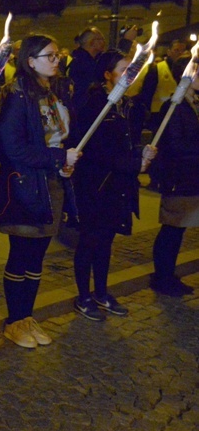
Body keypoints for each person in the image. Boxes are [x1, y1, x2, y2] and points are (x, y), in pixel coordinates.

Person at [0, 34, 81, 349]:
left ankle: (26, 317)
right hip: (25, 188)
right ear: (30, 61)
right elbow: (13, 148)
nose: (56, 60)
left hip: (52, 184)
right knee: (21, 255)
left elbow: (58, 137)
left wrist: (65, 162)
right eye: (49, 55)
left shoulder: (54, 93)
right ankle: (14, 321)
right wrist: (58, 158)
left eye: (58, 55)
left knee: (37, 258)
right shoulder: (18, 97)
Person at [72, 50, 156, 321]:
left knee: (106, 242)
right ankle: (83, 295)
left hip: (117, 186)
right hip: (95, 187)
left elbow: (125, 145)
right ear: (108, 75)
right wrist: (134, 163)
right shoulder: (96, 105)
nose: (130, 74)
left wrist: (141, 153)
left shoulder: (128, 105)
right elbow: (97, 151)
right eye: (124, 69)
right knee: (89, 241)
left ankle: (102, 291)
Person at [151, 56, 199, 297]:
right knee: (172, 229)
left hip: (193, 177)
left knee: (180, 230)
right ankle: (162, 276)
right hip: (178, 178)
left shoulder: (194, 103)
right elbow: (175, 145)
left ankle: (168, 274)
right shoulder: (174, 106)